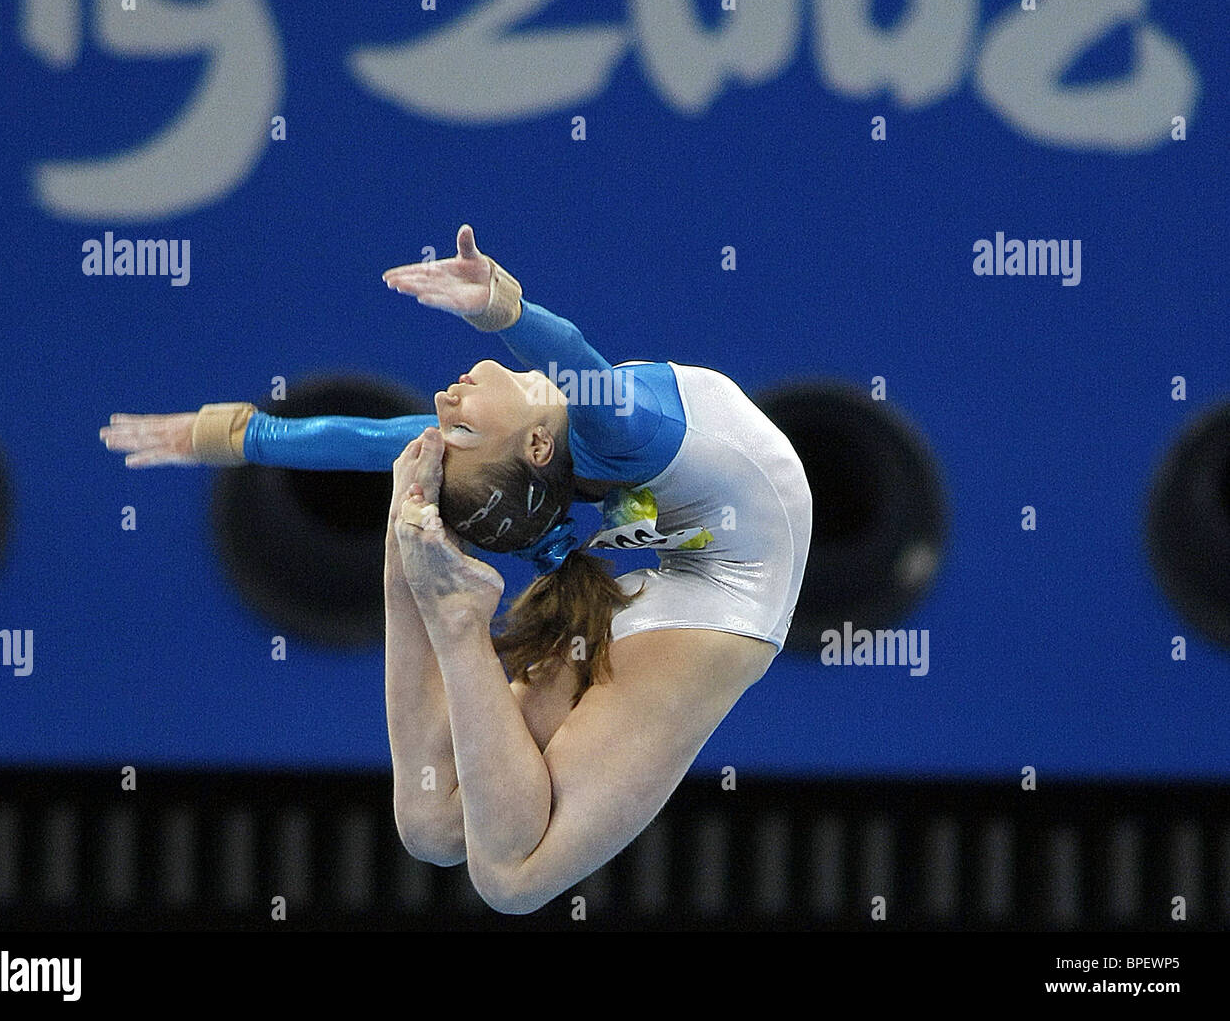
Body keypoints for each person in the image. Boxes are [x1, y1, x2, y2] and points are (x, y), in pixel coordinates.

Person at [100, 224, 812, 915]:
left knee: (454, 838)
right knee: (473, 852)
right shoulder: (622, 431)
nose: (442, 402)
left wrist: (230, 435)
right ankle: (441, 597)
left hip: (685, 558)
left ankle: (435, 590)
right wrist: (502, 308)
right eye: (461, 426)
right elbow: (572, 354)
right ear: (536, 447)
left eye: (450, 424)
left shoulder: (559, 450)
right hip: (724, 597)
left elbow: (366, 438)